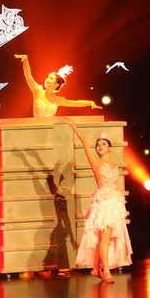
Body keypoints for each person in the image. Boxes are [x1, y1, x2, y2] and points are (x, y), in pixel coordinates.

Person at [60, 117, 133, 282]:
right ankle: (105, 271)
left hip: (114, 204)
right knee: (105, 239)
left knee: (107, 239)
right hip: (103, 204)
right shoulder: (95, 162)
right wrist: (73, 125)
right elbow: (84, 142)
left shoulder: (113, 165)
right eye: (98, 145)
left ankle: (95, 268)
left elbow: (114, 185)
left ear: (109, 148)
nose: (100, 147)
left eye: (103, 144)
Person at [15, 54, 102, 117]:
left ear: (56, 84)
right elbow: (28, 76)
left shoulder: (57, 100)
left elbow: (75, 103)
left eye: (51, 78)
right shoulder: (37, 91)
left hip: (51, 130)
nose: (47, 79)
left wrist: (90, 103)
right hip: (36, 128)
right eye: (48, 78)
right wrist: (25, 60)